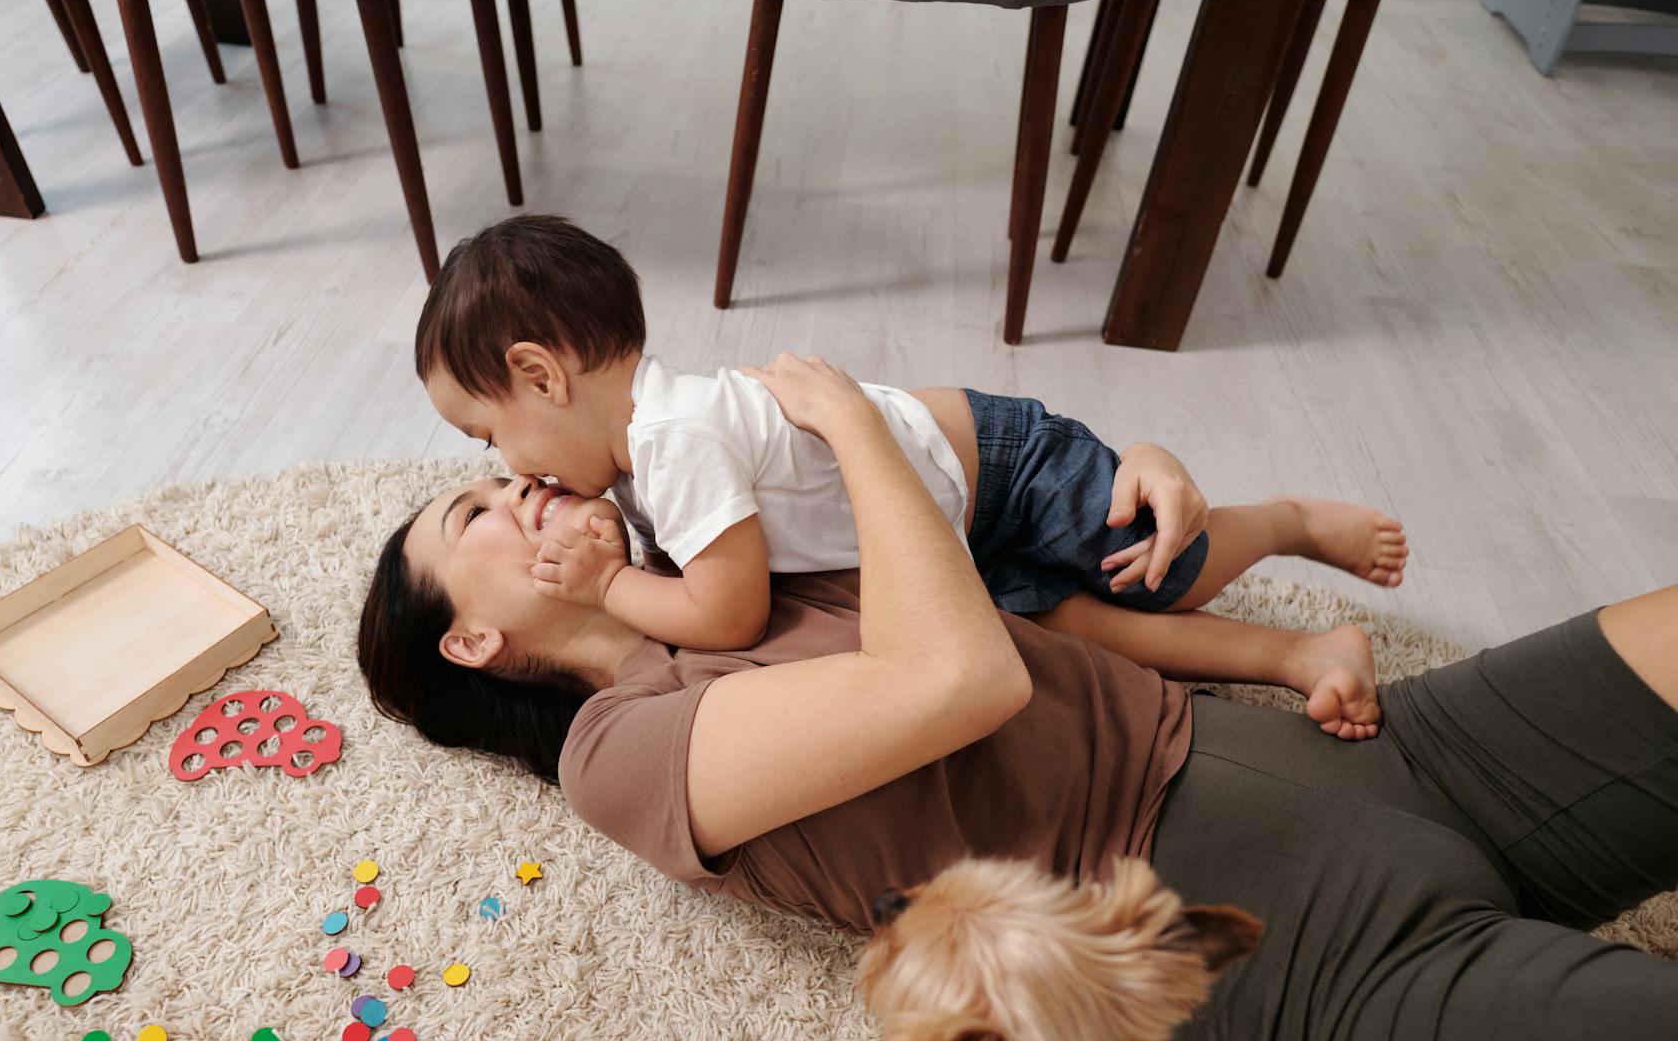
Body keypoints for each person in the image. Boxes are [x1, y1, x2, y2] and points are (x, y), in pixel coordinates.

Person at [359, 354, 1678, 1041]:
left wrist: (1145, 464)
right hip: (1281, 980)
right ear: (472, 642)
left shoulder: (716, 551)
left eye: (500, 469)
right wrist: (853, 432)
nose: (516, 484)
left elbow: (973, 466)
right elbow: (961, 674)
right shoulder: (621, 755)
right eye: (473, 508)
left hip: (1388, 759)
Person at [413, 215, 1409, 737]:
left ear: (542, 375)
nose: (510, 468)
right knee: (1076, 629)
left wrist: (605, 585)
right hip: (948, 525)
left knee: (1158, 566)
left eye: (487, 435)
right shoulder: (636, 458)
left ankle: (1282, 520)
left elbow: (728, 614)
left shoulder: (673, 439)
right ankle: (1299, 652)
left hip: (1002, 469)